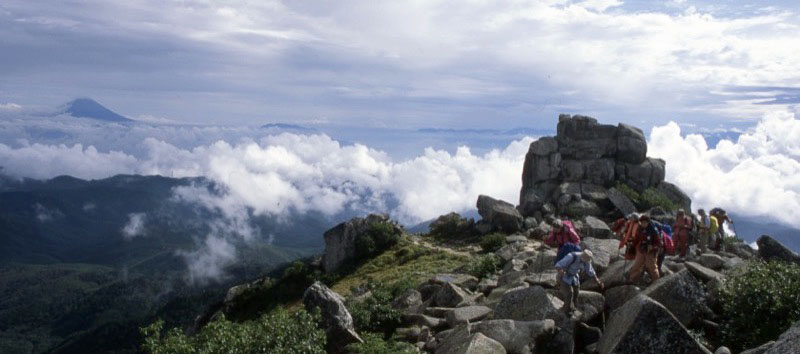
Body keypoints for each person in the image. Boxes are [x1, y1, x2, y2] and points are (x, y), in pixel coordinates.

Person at [555, 249, 602, 315]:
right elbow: (558, 265)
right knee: (569, 293)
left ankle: (573, 308)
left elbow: (590, 271)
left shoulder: (586, 260)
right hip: (565, 276)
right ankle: (566, 311)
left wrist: (597, 281)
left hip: (574, 276)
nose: (585, 262)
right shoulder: (571, 256)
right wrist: (561, 271)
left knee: (576, 293)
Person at [627, 214, 661, 284]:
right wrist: (631, 244)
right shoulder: (640, 229)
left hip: (651, 251)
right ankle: (632, 280)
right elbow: (636, 239)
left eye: (644, 222)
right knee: (637, 264)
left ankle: (657, 282)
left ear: (648, 222)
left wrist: (652, 247)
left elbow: (659, 243)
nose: (642, 224)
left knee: (651, 267)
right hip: (642, 249)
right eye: (641, 222)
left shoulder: (654, 231)